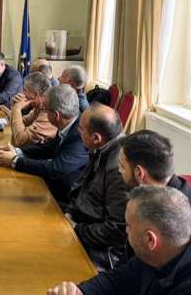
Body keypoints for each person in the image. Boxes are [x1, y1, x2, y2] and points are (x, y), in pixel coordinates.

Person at [46, 186, 191, 295]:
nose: (125, 231)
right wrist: (80, 291)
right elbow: (118, 279)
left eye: (128, 226)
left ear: (150, 239)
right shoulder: (169, 250)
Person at [118, 129, 191, 259]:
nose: (119, 171)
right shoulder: (163, 192)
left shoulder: (170, 215)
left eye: (122, 166)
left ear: (139, 173)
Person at [0, 85, 88, 205]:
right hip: (54, 189)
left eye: (45, 109)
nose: (43, 112)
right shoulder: (68, 123)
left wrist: (15, 160)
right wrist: (17, 152)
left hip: (66, 200)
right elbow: (47, 149)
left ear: (56, 115)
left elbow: (55, 168)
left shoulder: (79, 134)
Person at [62, 103, 128, 269]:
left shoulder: (120, 169)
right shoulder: (103, 147)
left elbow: (116, 230)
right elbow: (81, 187)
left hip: (101, 251)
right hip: (84, 225)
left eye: (81, 129)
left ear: (96, 138)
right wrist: (69, 213)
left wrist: (75, 229)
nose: (77, 132)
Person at [0, 72, 57, 146]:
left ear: (35, 94)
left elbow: (20, 140)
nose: (23, 93)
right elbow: (23, 122)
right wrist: (13, 108)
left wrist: (17, 109)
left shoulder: (49, 113)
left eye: (25, 90)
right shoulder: (39, 107)